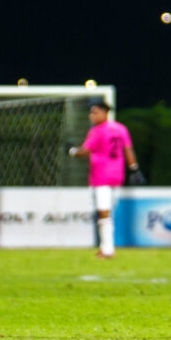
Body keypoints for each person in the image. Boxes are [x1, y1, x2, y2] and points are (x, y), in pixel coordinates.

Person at [68, 101, 140, 259]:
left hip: (101, 176)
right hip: (117, 176)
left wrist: (72, 151)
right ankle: (104, 247)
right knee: (107, 213)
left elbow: (85, 151)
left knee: (104, 213)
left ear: (104, 113)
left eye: (94, 112)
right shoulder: (121, 128)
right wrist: (134, 169)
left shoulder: (97, 131)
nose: (91, 116)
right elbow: (128, 149)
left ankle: (107, 249)